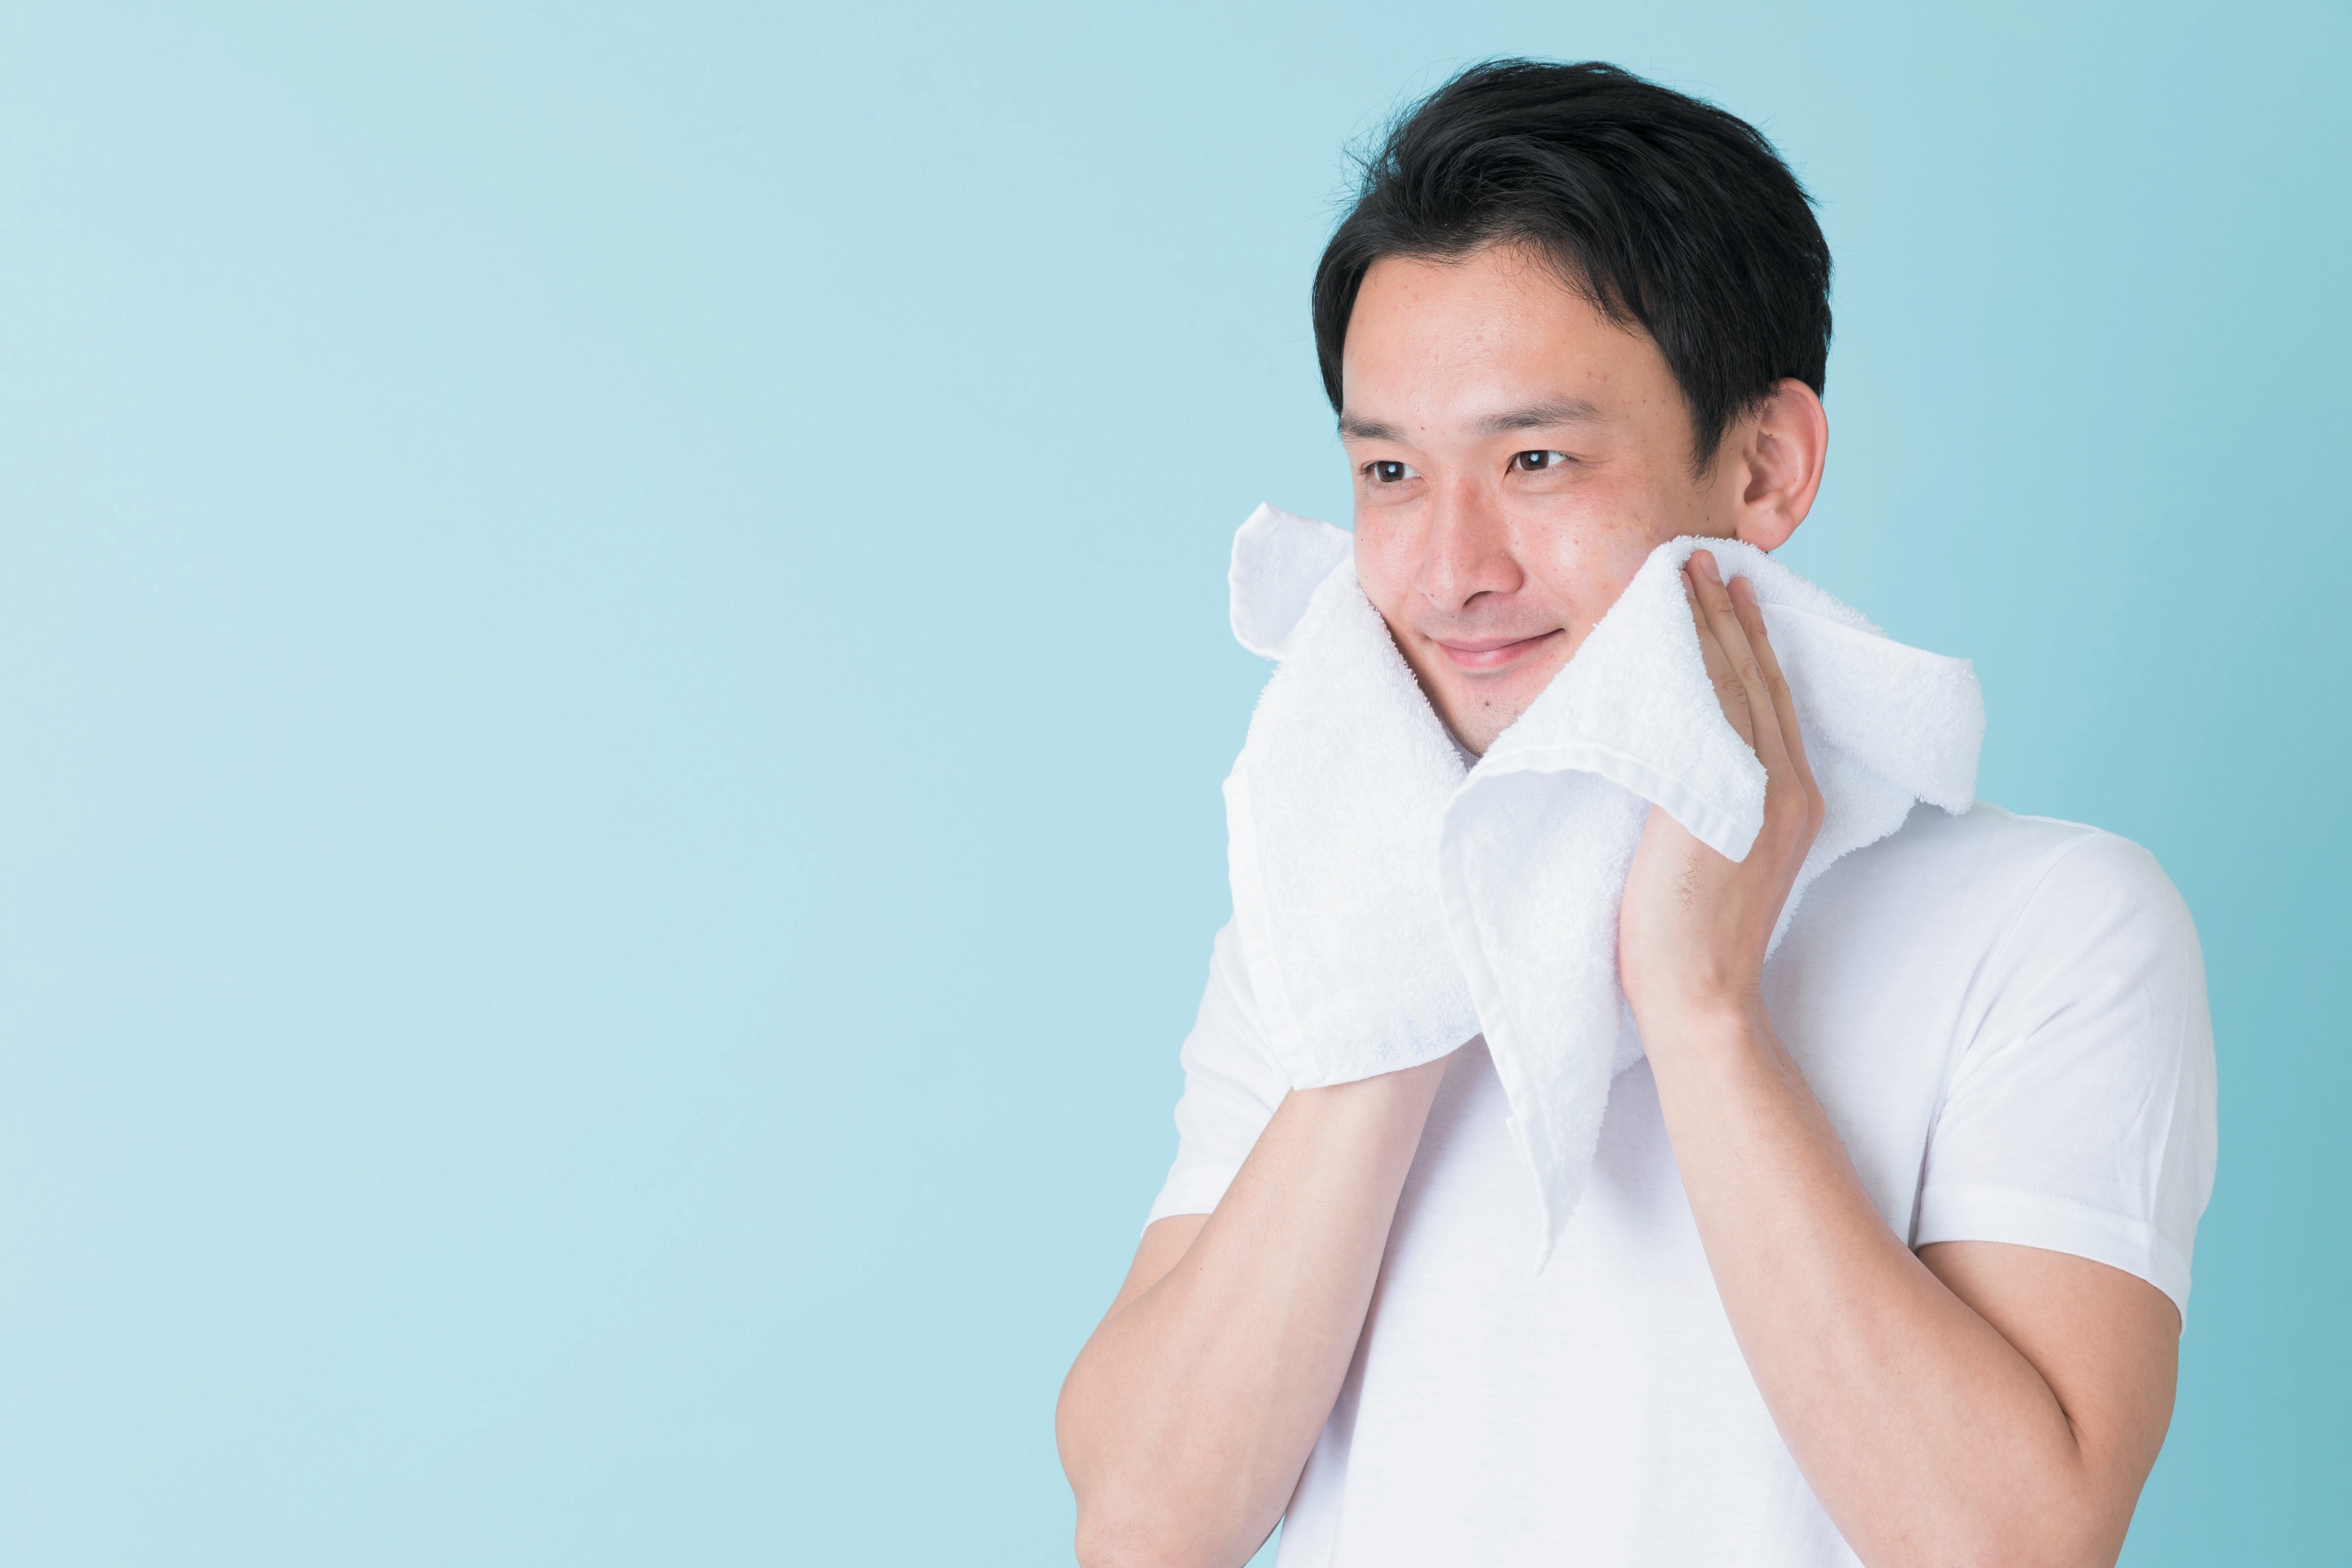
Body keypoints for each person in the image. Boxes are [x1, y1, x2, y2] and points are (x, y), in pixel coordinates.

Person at [1054, 59, 2216, 1568]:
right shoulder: (1318, 922)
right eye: (1392, 472)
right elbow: (1147, 1525)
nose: (1450, 568)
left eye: (1537, 460)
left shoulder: (2052, 925)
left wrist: (1704, 1006)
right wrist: (1408, 952)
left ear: (1764, 464)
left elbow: (2012, 1548)